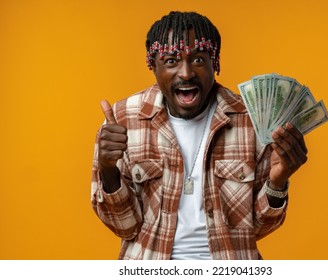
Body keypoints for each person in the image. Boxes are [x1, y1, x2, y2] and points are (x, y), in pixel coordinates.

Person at [91, 11, 308, 260]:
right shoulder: (123, 120)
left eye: (198, 60)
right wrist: (108, 171)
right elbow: (125, 226)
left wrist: (278, 182)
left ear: (214, 63)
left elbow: (256, 230)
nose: (186, 73)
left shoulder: (250, 121)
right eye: (171, 60)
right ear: (154, 66)